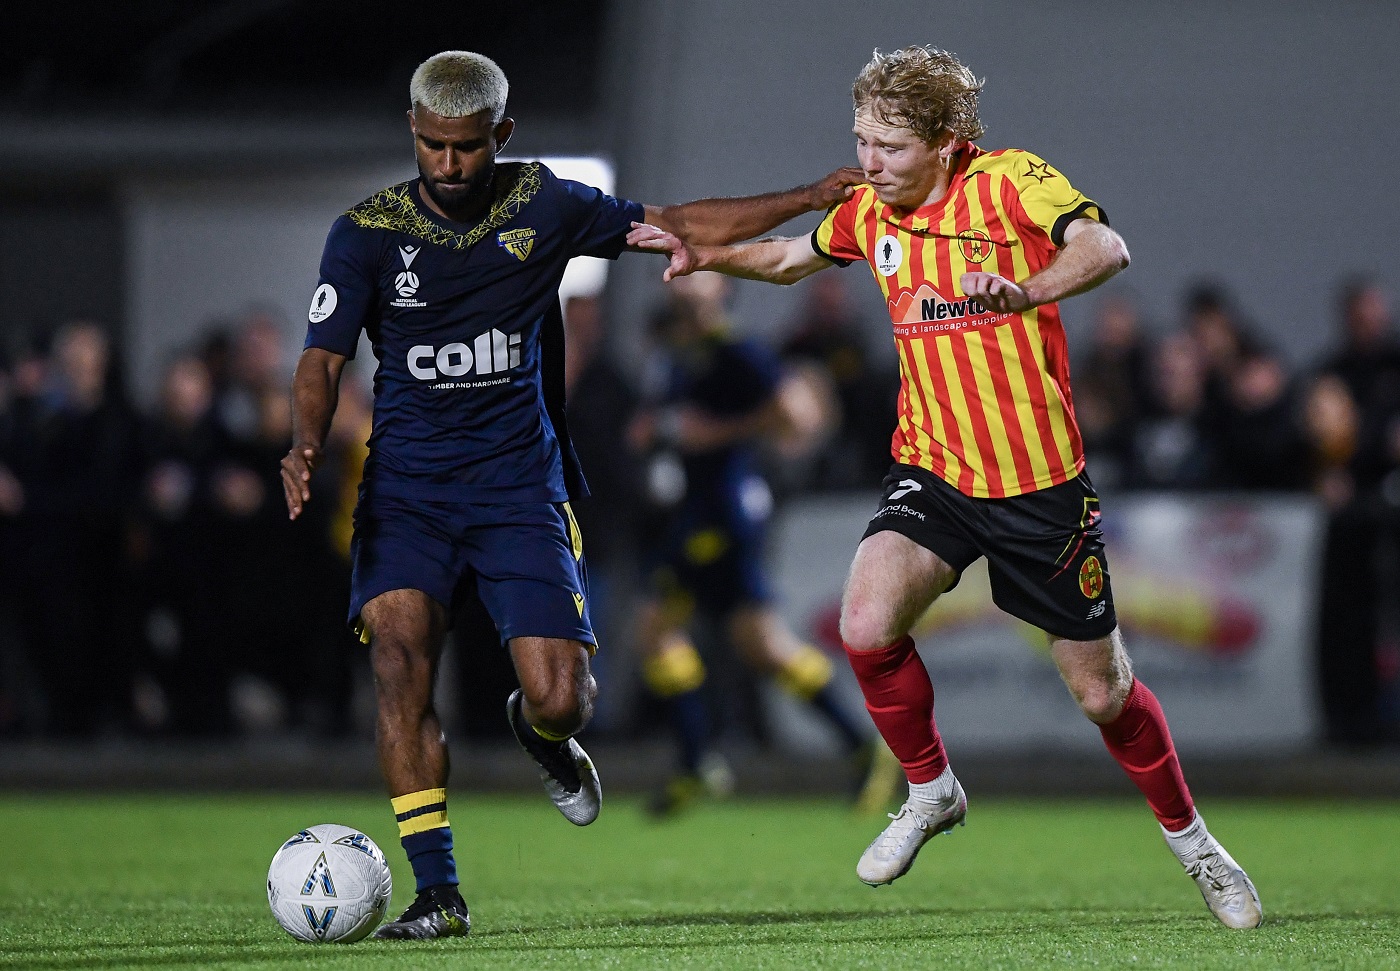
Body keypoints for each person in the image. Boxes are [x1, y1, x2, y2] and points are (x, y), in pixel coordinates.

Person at [628, 45, 1262, 929]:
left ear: (947, 140)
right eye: (861, 139)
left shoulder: (1011, 183)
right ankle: (931, 788)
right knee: (863, 623)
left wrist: (1024, 291)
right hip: (933, 469)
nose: (870, 161)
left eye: (889, 145)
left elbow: (1105, 247)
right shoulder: (866, 213)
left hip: (1039, 482)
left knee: (1101, 692)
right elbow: (785, 260)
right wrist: (706, 254)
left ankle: (1197, 843)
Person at [280, 50, 863, 940]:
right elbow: (321, 357)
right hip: (408, 493)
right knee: (399, 663)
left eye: (467, 147)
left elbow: (675, 224)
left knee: (562, 697)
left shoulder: (545, 205)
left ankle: (541, 731)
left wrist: (813, 194)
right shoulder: (362, 233)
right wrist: (305, 441)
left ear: (500, 135)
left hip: (520, 490)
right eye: (433, 145)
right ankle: (438, 891)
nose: (448, 164)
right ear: (413, 133)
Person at [629, 273, 897, 816]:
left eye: (700, 275)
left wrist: (718, 430)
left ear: (720, 292)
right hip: (702, 509)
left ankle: (698, 760)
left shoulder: (738, 351)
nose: (685, 277)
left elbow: (796, 416)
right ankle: (860, 747)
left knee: (659, 625)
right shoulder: (686, 350)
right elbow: (661, 426)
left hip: (723, 512)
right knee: (759, 644)